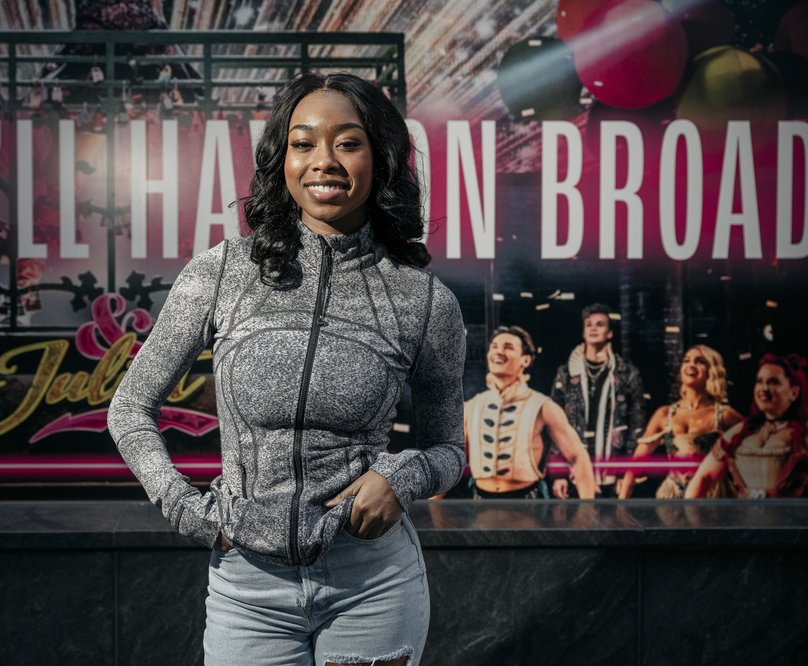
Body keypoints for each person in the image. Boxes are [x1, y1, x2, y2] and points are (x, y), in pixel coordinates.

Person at [108, 72, 465, 665]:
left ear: (381, 156)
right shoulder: (222, 272)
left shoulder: (424, 301)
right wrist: (190, 512)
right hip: (247, 587)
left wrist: (402, 478)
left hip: (372, 583)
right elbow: (130, 407)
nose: (324, 161)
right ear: (282, 158)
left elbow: (449, 447)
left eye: (348, 142)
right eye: (303, 143)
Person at [465, 325, 596, 500]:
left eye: (508, 347)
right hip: (479, 501)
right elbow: (452, 461)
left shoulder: (543, 407)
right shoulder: (472, 406)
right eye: (494, 347)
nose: (498, 352)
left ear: (525, 360)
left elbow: (578, 457)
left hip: (528, 502)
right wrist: (431, 510)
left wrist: (587, 513)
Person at [619, 345, 743, 499]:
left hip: (712, 497)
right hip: (673, 497)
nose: (691, 365)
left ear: (711, 371)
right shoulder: (664, 414)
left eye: (699, 361)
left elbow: (752, 452)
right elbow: (637, 462)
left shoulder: (725, 415)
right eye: (686, 360)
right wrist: (622, 503)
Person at [551, 303, 646, 498]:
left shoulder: (627, 372)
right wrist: (558, 473)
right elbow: (554, 426)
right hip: (574, 465)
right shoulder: (566, 373)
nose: (593, 328)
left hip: (613, 464)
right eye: (589, 325)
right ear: (583, 332)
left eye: (600, 324)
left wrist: (625, 473)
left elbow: (637, 423)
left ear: (610, 333)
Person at [686, 353, 808, 499]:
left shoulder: (804, 432)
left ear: (794, 392)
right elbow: (703, 477)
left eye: (773, 382)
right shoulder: (742, 431)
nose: (764, 388)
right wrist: (694, 519)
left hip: (790, 521)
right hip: (744, 520)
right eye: (759, 381)